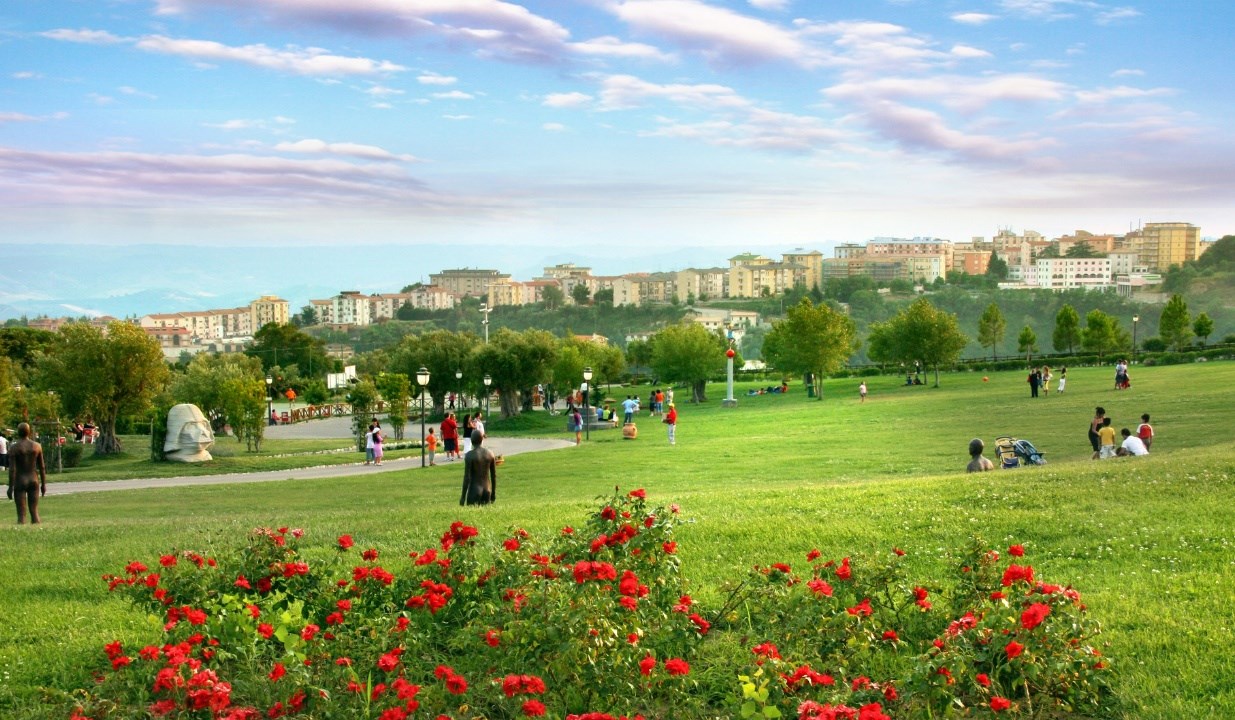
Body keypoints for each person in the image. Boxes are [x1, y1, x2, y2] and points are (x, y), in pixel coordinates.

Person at [7, 423, 46, 524]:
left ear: (18, 432)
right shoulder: (37, 446)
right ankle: (37, 530)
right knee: (34, 511)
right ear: (29, 432)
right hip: (34, 479)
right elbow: (42, 467)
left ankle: (22, 529)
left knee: (21, 514)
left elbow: (12, 470)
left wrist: (10, 487)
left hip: (20, 480)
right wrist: (44, 484)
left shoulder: (14, 448)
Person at [460, 429, 497, 506]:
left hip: (474, 490)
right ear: (482, 439)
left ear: (471, 440)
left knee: (472, 515)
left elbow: (467, 477)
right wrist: (493, 493)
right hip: (487, 490)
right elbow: (493, 476)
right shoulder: (490, 453)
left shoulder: (469, 455)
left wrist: (463, 497)